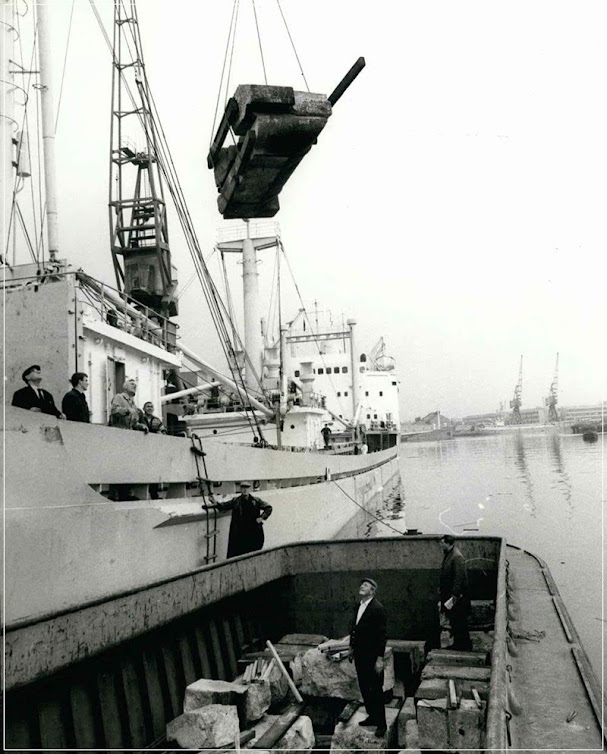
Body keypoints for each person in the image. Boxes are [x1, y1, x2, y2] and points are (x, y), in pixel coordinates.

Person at [349, 577, 387, 738]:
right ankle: (372, 716)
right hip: (359, 654)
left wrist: (379, 658)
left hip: (371, 656)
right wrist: (351, 647)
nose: (362, 586)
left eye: (366, 585)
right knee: (365, 687)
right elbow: (354, 629)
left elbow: (382, 635)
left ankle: (382, 724)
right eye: (362, 584)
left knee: (376, 690)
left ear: (372, 591)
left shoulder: (377, 608)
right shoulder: (359, 606)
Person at [215, 482, 272, 558]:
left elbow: (268, 508)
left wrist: (262, 517)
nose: (245, 490)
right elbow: (224, 506)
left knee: (253, 553)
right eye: (243, 488)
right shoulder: (236, 501)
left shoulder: (256, 501)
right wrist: (214, 502)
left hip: (253, 532)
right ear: (240, 489)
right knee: (240, 553)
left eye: (247, 488)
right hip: (240, 533)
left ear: (249, 489)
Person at [439, 534, 472, 651]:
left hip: (457, 598)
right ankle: (459, 643)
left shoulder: (456, 557)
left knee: (460, 621)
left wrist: (454, 596)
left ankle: (464, 645)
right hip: (452, 596)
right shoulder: (450, 555)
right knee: (455, 621)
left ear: (448, 543)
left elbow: (459, 578)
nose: (440, 545)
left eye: (442, 543)